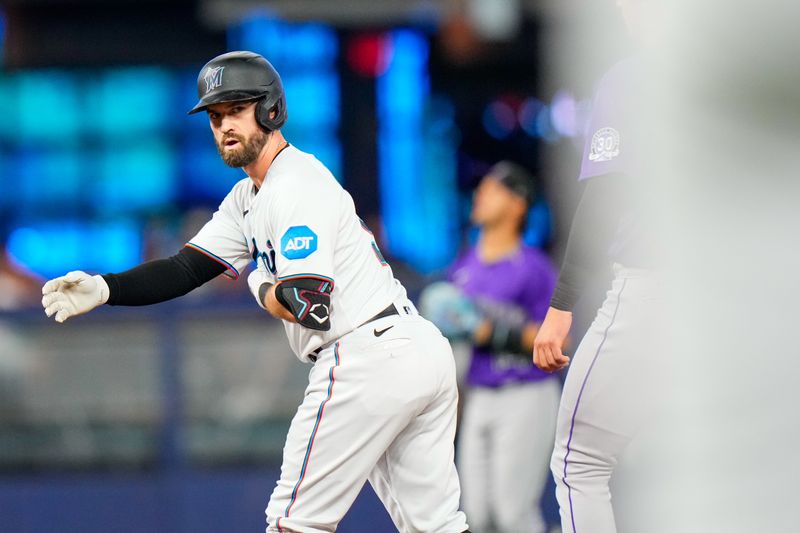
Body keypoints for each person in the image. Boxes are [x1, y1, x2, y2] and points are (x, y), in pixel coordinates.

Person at [41, 51, 469, 533]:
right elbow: (186, 268)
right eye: (216, 116)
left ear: (270, 110)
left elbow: (309, 305)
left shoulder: (294, 186)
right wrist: (106, 287)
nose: (224, 125)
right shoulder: (249, 196)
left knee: (294, 523)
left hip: (367, 356)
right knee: (436, 527)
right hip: (411, 349)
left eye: (236, 110)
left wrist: (259, 284)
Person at [532, 1, 663, 532]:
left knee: (577, 459)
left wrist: (561, 307)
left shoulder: (631, 77)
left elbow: (603, 201)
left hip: (655, 291)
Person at [448, 163, 560, 533]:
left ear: (518, 204)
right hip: (480, 393)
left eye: (492, 189)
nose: (480, 195)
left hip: (526, 389)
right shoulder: (462, 269)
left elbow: (558, 338)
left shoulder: (533, 266)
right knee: (475, 516)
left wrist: (490, 332)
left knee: (513, 514)